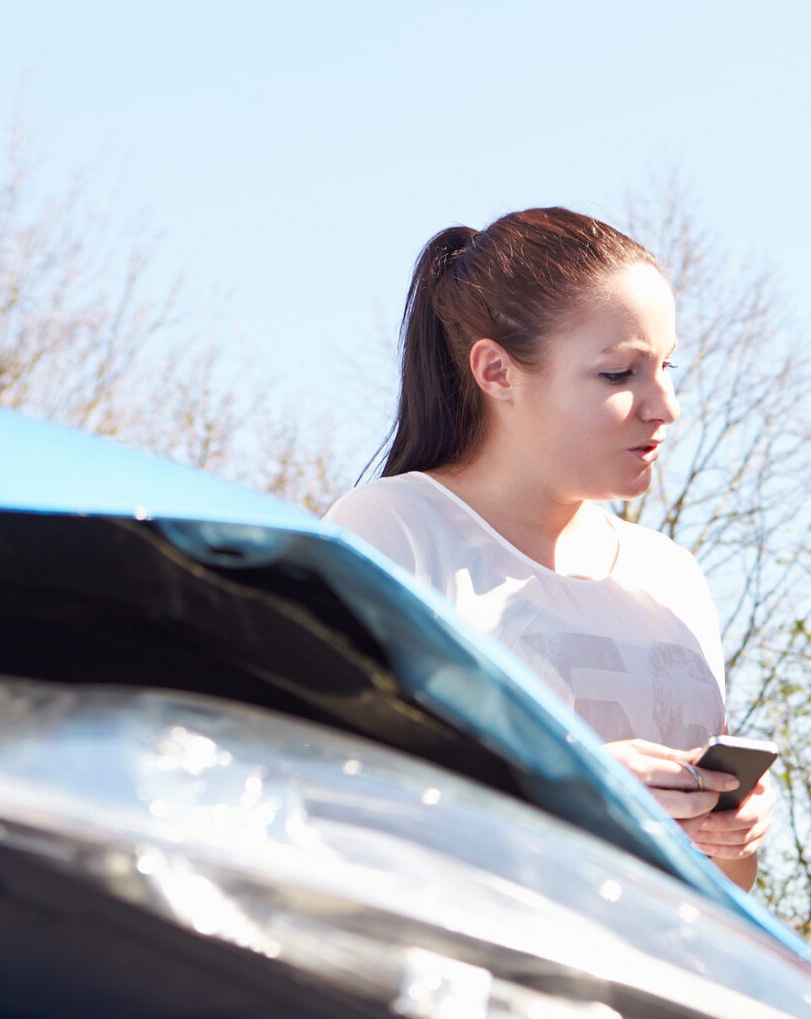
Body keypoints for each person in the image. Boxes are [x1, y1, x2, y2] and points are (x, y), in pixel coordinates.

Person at [326, 207, 770, 889]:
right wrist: (573, 788)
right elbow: (335, 807)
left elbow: (726, 886)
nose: (665, 405)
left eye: (667, 366)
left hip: (656, 985)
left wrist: (732, 834)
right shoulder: (393, 531)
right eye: (620, 374)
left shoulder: (672, 576)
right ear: (497, 371)